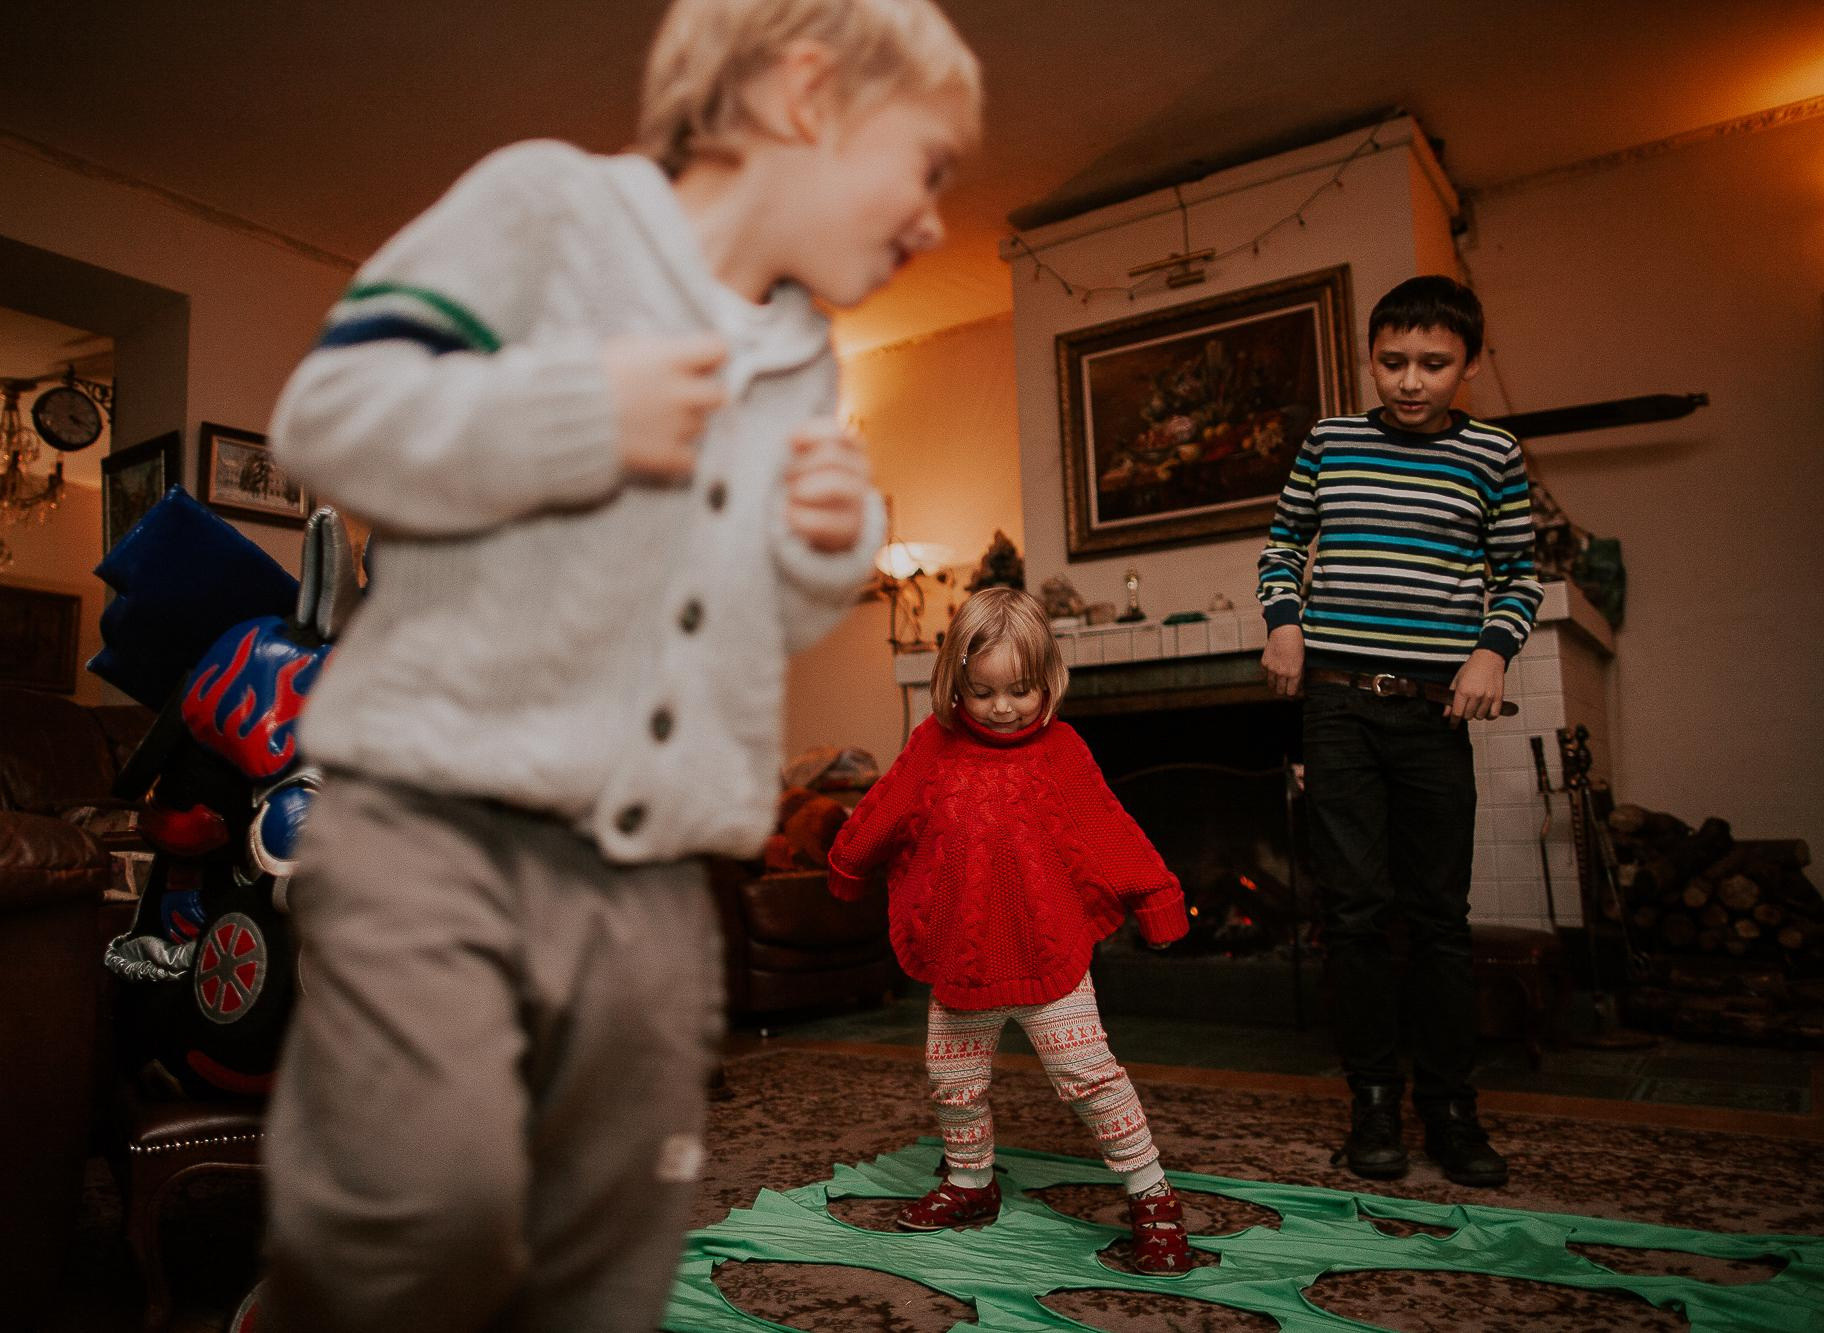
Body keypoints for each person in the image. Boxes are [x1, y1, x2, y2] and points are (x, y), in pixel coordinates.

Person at [259, 2, 983, 1328]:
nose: (936, 217)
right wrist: (579, 410)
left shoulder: (806, 359)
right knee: (427, 1205)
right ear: (807, 94)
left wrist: (822, 553)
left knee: (616, 1230)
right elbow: (331, 417)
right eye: (928, 164)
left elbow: (731, 612)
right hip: (436, 821)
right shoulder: (551, 209)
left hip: (655, 884)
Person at [1256, 274, 1541, 1188]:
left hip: (1433, 714)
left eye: (1433, 362)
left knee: (1439, 920)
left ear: (1469, 364)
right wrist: (1285, 620)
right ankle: (1373, 1100)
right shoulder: (1331, 442)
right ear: (1369, 358)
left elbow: (1521, 574)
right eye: (1391, 361)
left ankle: (1451, 1107)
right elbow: (1280, 545)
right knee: (1354, 916)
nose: (1410, 380)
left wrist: (1492, 652)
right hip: (1336, 706)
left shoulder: (1493, 453)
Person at [828, 587, 1194, 1273]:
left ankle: (1153, 1196)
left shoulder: (1061, 749)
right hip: (961, 958)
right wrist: (848, 859)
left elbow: (1109, 829)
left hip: (1048, 950)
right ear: (954, 684)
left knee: (1089, 1075)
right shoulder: (932, 743)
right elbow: (885, 807)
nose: (1003, 707)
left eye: (1020, 689)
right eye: (983, 691)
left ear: (1048, 678)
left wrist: (1158, 897)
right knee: (952, 1079)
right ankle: (971, 1183)